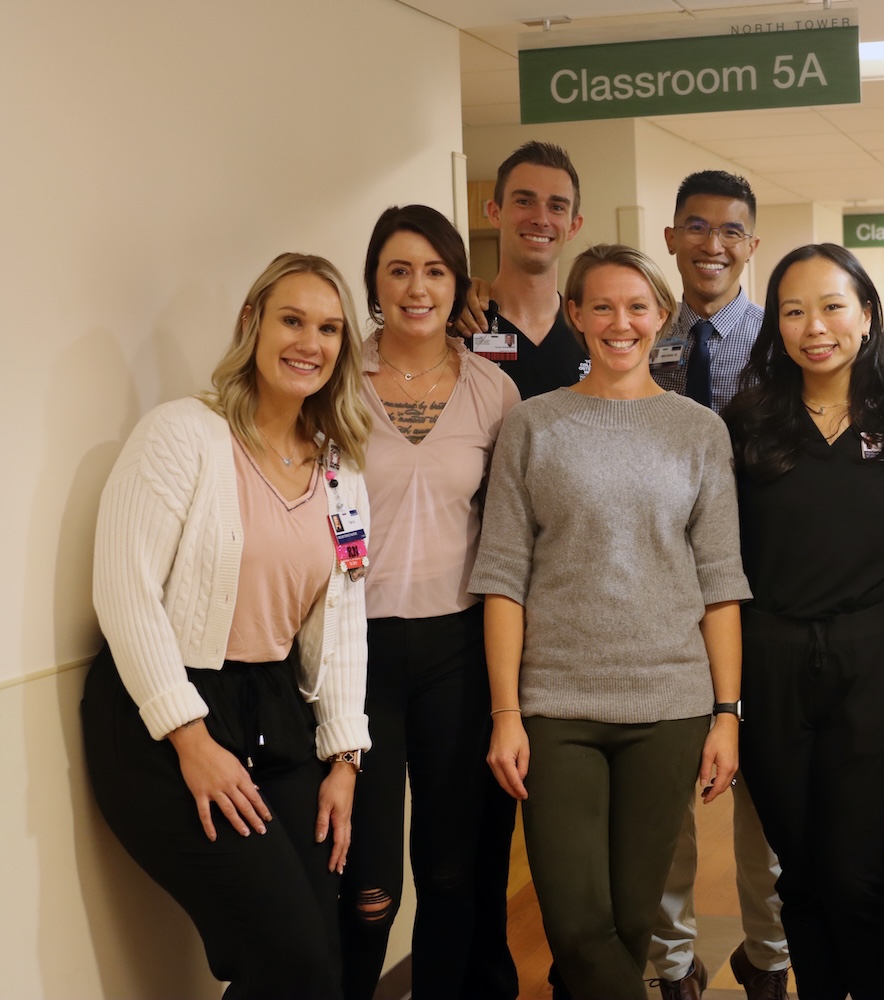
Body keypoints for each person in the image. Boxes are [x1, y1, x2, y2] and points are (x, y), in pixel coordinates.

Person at [82, 252, 373, 999]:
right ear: (252, 324)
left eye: (330, 328)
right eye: (292, 320)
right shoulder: (181, 434)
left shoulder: (340, 471)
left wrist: (344, 757)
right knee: (290, 957)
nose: (310, 342)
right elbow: (124, 592)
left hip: (275, 712)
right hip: (162, 711)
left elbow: (340, 624)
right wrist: (190, 737)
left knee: (321, 956)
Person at [471, 244, 751, 1000]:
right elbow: (503, 579)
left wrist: (726, 715)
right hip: (555, 707)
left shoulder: (698, 433)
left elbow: (720, 582)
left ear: (662, 317)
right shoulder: (533, 426)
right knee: (575, 921)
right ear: (575, 315)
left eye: (636, 307)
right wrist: (505, 714)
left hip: (669, 706)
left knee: (631, 923)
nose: (619, 323)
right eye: (601, 306)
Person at [721, 244, 884, 1000]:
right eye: (793, 310)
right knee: (797, 873)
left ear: (868, 314)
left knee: (857, 875)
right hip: (771, 663)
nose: (815, 327)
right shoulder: (748, 423)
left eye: (833, 306)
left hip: (872, 661)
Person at [338, 206, 522, 1000]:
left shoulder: (493, 389)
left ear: (458, 283)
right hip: (356, 651)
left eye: (436, 271)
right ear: (375, 282)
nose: (418, 288)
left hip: (458, 647)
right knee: (369, 877)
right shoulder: (337, 379)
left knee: (450, 867)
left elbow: (514, 532)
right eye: (399, 270)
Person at [648, 169, 790, 1000]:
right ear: (671, 237)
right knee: (664, 794)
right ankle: (671, 961)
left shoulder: (782, 341)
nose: (712, 245)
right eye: (695, 227)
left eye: (731, 230)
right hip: (661, 603)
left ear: (751, 246)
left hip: (761, 598)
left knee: (762, 796)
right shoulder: (636, 332)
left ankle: (768, 954)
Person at [469, 140, 589, 398]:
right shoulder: (462, 324)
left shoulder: (591, 331)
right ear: (495, 212)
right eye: (524, 201)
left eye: (556, 207)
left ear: (573, 226)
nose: (540, 219)